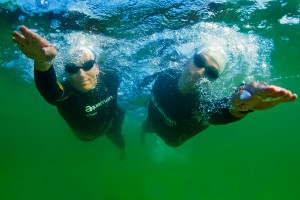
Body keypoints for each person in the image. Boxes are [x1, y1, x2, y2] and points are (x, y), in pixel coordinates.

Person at [142, 46, 298, 147]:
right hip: (150, 119)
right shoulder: (166, 72)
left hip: (171, 140)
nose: (199, 73)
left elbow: (223, 110)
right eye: (199, 61)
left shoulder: (201, 105)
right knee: (146, 127)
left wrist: (241, 103)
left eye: (211, 72)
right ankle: (142, 135)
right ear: (189, 58)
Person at [12, 25, 126, 159]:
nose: (82, 75)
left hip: (112, 123)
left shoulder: (111, 77)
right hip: (87, 136)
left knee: (118, 138)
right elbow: (50, 92)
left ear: (97, 67)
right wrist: (41, 62)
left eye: (88, 65)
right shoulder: (66, 93)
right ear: (67, 73)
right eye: (72, 69)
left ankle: (123, 151)